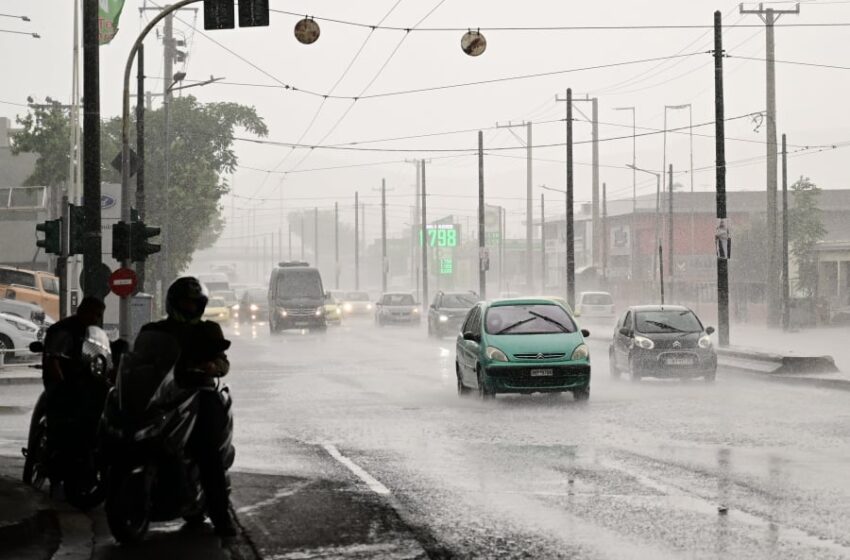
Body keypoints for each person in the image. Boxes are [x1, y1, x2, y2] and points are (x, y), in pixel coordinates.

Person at [140, 277, 236, 536]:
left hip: (198, 394)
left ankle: (221, 517)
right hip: (163, 395)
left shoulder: (208, 331)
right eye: (185, 303)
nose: (190, 308)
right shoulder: (155, 330)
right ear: (173, 303)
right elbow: (139, 357)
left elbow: (222, 363)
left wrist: (212, 367)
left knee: (207, 452)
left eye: (195, 304)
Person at [40, 297, 108, 493]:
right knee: (60, 423)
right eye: (92, 313)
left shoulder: (94, 335)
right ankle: (54, 470)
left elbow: (103, 357)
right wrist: (61, 382)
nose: (95, 318)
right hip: (64, 384)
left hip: (86, 385)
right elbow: (54, 360)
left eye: (98, 315)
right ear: (81, 310)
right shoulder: (64, 330)